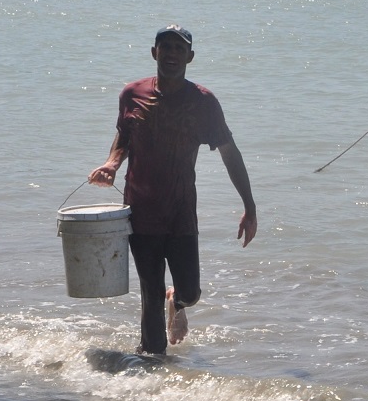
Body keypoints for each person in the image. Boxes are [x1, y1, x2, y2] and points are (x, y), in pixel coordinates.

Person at [89, 24, 257, 356]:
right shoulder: (131, 94)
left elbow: (230, 153)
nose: (171, 54)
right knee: (149, 292)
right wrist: (111, 163)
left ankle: (176, 300)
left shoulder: (203, 102)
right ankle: (151, 372)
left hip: (180, 211)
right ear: (154, 53)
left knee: (191, 292)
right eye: (165, 47)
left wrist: (250, 206)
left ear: (190, 57)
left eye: (179, 49)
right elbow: (125, 135)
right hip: (139, 209)